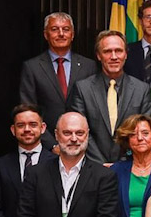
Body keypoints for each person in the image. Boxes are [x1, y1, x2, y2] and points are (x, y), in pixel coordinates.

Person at [67, 30, 151, 164]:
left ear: (125, 54)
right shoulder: (82, 89)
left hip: (129, 166)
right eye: (107, 51)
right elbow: (80, 132)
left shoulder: (141, 90)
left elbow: (142, 133)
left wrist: (121, 164)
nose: (114, 56)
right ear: (98, 55)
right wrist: (100, 164)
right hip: (92, 166)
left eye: (118, 51)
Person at [18, 12, 97, 148]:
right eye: (54, 29)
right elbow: (29, 111)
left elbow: (95, 109)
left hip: (83, 145)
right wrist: (52, 145)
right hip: (46, 146)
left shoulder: (89, 66)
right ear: (46, 34)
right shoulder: (32, 67)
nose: (61, 34)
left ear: (72, 35)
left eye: (66, 29)